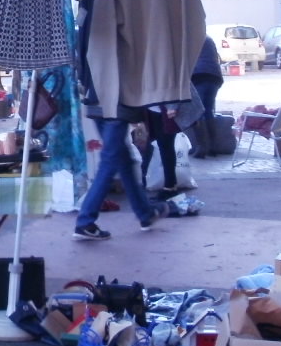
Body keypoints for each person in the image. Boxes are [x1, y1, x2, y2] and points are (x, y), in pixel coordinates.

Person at [73, 106, 167, 239]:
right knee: (110, 161)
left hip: (97, 105)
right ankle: (85, 221)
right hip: (116, 107)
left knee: (122, 159)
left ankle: (145, 213)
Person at [189, 37, 224, 157]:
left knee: (198, 111)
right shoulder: (208, 39)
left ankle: (201, 146)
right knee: (208, 110)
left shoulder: (191, 38)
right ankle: (213, 146)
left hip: (199, 75)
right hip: (215, 76)